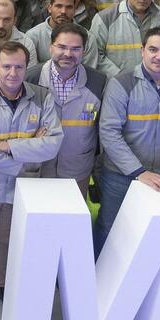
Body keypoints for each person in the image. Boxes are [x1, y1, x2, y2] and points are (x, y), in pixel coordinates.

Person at [0, 40, 62, 314]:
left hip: (20, 190)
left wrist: (7, 145)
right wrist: (26, 159)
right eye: (6, 66)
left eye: (19, 67)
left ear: (26, 67)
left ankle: (2, 284)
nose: (12, 73)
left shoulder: (42, 98)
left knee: (8, 237)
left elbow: (52, 144)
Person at [95, 26, 160, 250]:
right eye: (153, 49)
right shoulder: (122, 83)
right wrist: (138, 172)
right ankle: (99, 277)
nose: (159, 56)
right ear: (142, 51)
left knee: (151, 231)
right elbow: (109, 132)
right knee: (111, 227)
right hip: (121, 174)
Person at [37, 24, 105, 195]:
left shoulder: (99, 82)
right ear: (50, 47)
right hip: (37, 170)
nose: (68, 54)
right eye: (61, 47)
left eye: (75, 48)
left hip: (78, 171)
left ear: (84, 51)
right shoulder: (31, 78)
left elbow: (103, 129)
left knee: (72, 220)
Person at [86, 0, 160, 77]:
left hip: (155, 82)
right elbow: (96, 54)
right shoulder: (105, 18)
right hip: (117, 85)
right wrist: (122, 77)